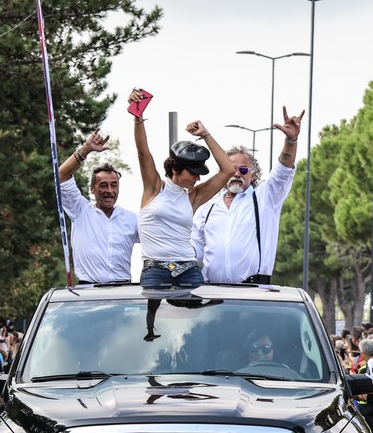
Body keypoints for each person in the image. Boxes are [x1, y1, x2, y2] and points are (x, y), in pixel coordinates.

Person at [128, 89, 235, 289]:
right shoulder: (155, 187)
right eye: (193, 172)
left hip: (188, 268)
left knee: (197, 316)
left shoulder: (193, 196)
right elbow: (143, 153)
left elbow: (228, 169)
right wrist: (138, 117)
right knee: (153, 318)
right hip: (155, 268)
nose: (197, 177)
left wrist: (205, 135)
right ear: (176, 169)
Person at [191, 108, 303, 284]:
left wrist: (291, 140)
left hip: (253, 294)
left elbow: (282, 171)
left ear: (253, 175)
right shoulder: (207, 208)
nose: (236, 174)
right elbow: (194, 251)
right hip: (212, 293)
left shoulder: (265, 198)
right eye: (231, 169)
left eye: (243, 170)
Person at [55, 130, 139, 284]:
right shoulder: (80, 211)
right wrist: (86, 149)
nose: (109, 191)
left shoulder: (132, 219)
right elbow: (61, 176)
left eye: (114, 185)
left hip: (124, 294)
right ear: (92, 189)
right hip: (89, 296)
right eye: (103, 185)